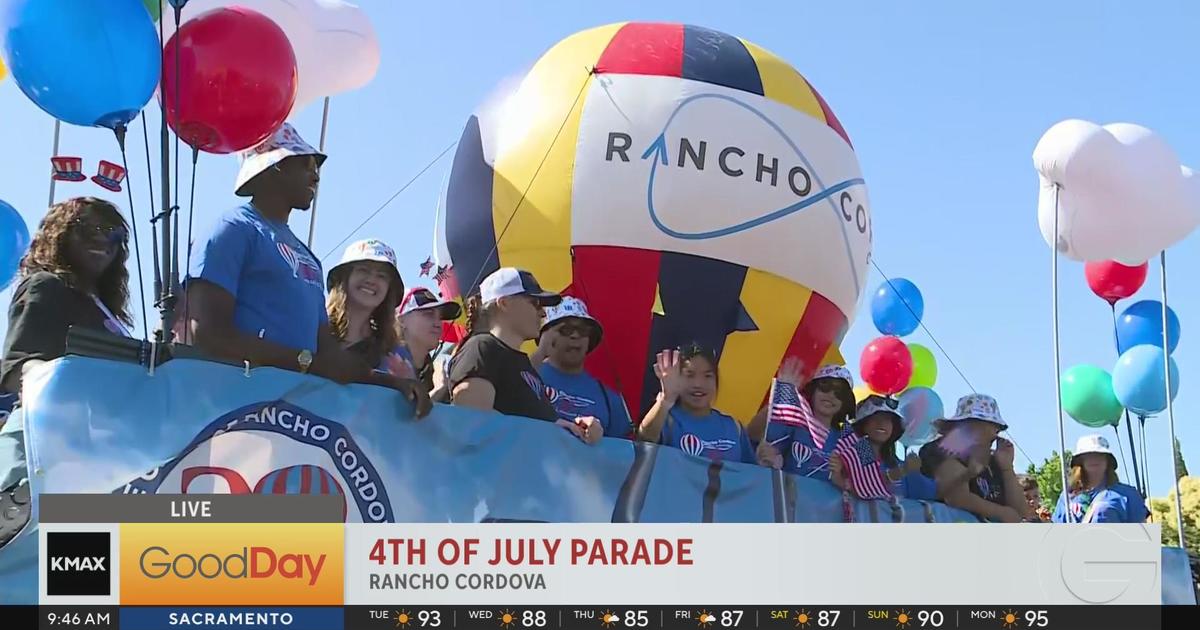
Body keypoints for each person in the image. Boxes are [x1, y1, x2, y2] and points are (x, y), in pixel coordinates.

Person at [183, 123, 428, 416]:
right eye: (305, 164)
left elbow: (329, 357)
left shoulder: (309, 257)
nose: (316, 175)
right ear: (274, 169)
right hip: (231, 414)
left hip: (290, 424)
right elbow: (208, 336)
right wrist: (304, 362)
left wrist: (391, 383)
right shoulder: (231, 230)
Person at [449, 267, 601, 445]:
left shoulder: (524, 365)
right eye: (535, 303)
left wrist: (575, 428)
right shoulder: (482, 347)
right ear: (504, 303)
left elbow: (537, 424)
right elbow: (471, 419)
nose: (543, 313)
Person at [3, 197, 133, 395]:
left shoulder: (103, 308)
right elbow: (17, 368)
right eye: (89, 229)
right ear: (59, 235)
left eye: (113, 233)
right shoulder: (46, 285)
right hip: (47, 423)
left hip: (91, 424)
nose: (102, 239)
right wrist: (56, 379)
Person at [920, 394, 1036, 523]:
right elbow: (956, 497)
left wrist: (1007, 468)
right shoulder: (943, 449)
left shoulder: (992, 460)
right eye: (993, 424)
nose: (996, 431)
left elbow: (1020, 511)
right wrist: (1001, 513)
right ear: (972, 424)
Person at [531, 297, 633, 439]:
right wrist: (541, 352)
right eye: (566, 329)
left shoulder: (608, 397)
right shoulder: (529, 375)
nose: (575, 335)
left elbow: (623, 453)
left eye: (583, 330)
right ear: (547, 335)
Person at [636, 343, 755, 464]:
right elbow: (644, 439)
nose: (698, 384)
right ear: (677, 379)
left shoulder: (734, 427)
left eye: (708, 376)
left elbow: (751, 474)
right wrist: (665, 400)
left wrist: (766, 463)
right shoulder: (666, 420)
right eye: (690, 375)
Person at [756, 364, 857, 479]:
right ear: (813, 391)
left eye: (840, 393)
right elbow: (753, 435)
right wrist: (781, 396)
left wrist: (840, 475)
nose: (830, 395)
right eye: (825, 387)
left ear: (845, 402)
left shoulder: (847, 438)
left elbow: (863, 477)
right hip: (786, 494)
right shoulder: (793, 421)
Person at [325, 239, 404, 368]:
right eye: (363, 270)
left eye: (382, 276)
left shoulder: (393, 352)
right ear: (344, 278)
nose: (372, 280)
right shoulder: (314, 330)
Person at [850, 395, 937, 500]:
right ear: (863, 424)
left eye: (887, 419)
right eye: (875, 417)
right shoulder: (851, 454)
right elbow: (865, 485)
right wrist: (903, 470)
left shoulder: (897, 463)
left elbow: (932, 494)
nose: (881, 423)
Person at [1052, 435, 1150, 523]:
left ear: (1108, 460)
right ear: (1080, 461)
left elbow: (1142, 537)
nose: (1094, 459)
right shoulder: (1066, 497)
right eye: (1088, 455)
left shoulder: (1127, 494)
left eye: (1099, 455)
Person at [395, 286, 461, 394]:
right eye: (428, 314)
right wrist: (438, 390)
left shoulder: (429, 370)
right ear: (402, 321)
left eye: (440, 317)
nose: (438, 323)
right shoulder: (386, 359)